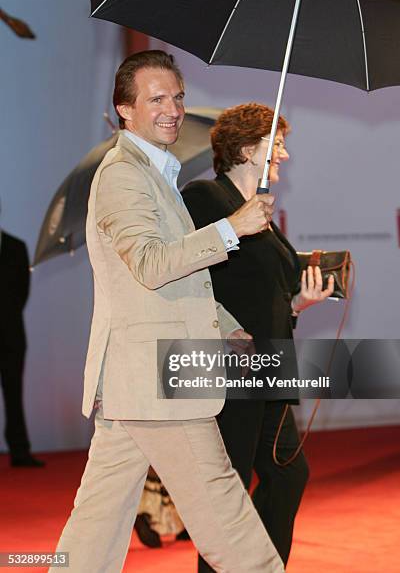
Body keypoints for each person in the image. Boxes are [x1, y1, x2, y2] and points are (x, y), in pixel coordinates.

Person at [50, 52, 284, 573]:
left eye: (178, 96)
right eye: (156, 98)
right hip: (159, 380)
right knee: (227, 516)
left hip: (135, 378)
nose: (173, 109)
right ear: (124, 111)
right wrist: (232, 229)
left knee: (96, 525)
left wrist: (226, 326)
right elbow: (152, 265)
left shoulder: (156, 173)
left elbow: (170, 283)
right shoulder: (123, 176)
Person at [182, 103, 335, 569]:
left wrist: (298, 304)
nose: (284, 156)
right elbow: (191, 278)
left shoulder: (261, 215)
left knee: (288, 477)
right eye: (278, 145)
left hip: (268, 368)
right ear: (248, 149)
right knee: (229, 491)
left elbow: (266, 294)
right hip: (230, 366)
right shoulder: (204, 197)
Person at [0, 203, 44, 467]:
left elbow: (21, 293)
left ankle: (19, 450)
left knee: (14, 394)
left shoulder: (17, 247)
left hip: (12, 335)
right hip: (12, 331)